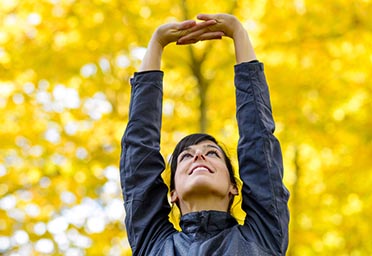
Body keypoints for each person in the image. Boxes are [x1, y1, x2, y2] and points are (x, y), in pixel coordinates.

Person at [120, 13, 290, 256]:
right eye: (186, 157)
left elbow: (258, 141)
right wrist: (156, 43)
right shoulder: (155, 245)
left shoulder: (263, 236)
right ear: (172, 193)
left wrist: (238, 33)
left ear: (234, 186)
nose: (199, 157)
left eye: (212, 153)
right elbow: (138, 156)